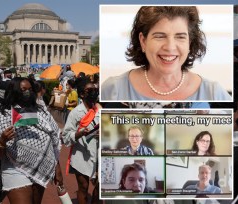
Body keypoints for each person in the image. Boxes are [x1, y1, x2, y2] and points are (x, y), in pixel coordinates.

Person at [101, 6, 231, 101]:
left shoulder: (214, 93)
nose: (170, 47)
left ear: (190, 43)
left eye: (180, 37)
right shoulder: (113, 89)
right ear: (143, 41)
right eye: (160, 36)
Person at [0, 77, 62, 204]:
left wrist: (57, 168)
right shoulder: (4, 116)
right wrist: (2, 141)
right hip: (15, 169)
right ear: (15, 91)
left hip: (40, 167)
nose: (28, 92)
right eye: (23, 90)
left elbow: (54, 142)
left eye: (30, 89)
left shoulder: (42, 113)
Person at [62, 77, 101, 204]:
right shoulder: (75, 113)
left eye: (95, 89)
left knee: (100, 188)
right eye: (90, 90)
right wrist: (79, 134)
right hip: (81, 156)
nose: (94, 92)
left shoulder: (100, 110)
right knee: (83, 188)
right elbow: (66, 136)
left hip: (99, 153)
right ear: (82, 94)